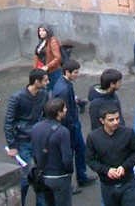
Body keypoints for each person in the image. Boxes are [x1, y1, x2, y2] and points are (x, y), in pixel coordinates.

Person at [5, 69, 49, 206]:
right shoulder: (17, 98)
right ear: (37, 82)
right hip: (24, 141)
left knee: (40, 177)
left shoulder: (44, 94)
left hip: (39, 139)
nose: (48, 82)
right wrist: (12, 146)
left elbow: (46, 114)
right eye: (46, 80)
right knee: (25, 178)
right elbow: (9, 122)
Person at [51, 60, 97, 193]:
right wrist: (72, 124)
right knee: (69, 155)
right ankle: (69, 184)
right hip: (70, 126)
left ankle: (82, 177)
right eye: (76, 72)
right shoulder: (64, 89)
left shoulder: (63, 84)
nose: (78, 75)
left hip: (72, 125)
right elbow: (66, 111)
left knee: (81, 150)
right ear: (67, 72)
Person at [85, 103, 135, 206]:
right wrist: (106, 170)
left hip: (127, 183)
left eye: (117, 118)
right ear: (102, 121)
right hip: (107, 185)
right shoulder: (93, 137)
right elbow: (89, 159)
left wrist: (124, 167)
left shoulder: (128, 133)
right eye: (111, 120)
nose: (115, 122)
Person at [30, 98, 72, 206]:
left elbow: (34, 151)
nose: (66, 110)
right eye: (64, 108)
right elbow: (67, 158)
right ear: (59, 113)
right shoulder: (63, 132)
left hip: (43, 176)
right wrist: (69, 171)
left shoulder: (35, 128)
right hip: (60, 176)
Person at [35, 25, 63, 90]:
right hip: (43, 70)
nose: (40, 33)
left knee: (56, 89)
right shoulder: (42, 41)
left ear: (48, 31)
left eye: (43, 31)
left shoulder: (53, 41)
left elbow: (58, 57)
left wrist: (47, 66)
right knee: (43, 90)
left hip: (53, 71)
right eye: (39, 31)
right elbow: (37, 55)